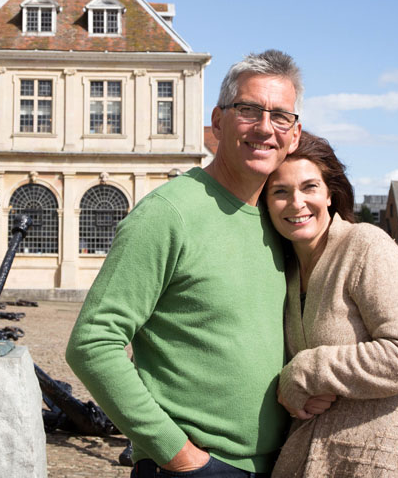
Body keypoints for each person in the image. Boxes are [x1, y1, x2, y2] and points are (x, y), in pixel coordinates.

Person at [66, 50, 304, 477]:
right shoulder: (168, 213)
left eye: (280, 116)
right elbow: (92, 344)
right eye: (248, 110)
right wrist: (179, 456)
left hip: (275, 464)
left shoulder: (280, 222)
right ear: (218, 121)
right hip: (197, 467)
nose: (265, 127)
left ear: (295, 134)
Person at [264, 132, 398, 477]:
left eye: (309, 187)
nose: (297, 202)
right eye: (280, 191)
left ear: (330, 194)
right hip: (317, 459)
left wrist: (307, 370)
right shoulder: (286, 267)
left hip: (379, 459)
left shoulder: (367, 246)